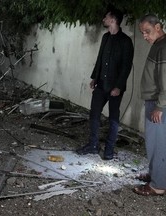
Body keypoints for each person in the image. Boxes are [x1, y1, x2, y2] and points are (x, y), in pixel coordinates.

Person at [76, 7, 134, 160]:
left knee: (113, 119)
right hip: (101, 84)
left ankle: (109, 150)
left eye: (106, 17)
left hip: (115, 87)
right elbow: (100, 58)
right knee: (94, 114)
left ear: (113, 20)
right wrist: (95, 77)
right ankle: (93, 145)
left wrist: (119, 87)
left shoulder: (126, 41)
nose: (104, 19)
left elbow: (126, 66)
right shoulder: (105, 37)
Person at [133, 14, 166, 196]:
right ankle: (155, 175)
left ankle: (158, 185)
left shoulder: (164, 46)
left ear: (158, 27)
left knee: (158, 144)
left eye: (147, 31)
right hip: (155, 101)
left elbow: (165, 79)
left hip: (158, 103)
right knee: (154, 143)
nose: (145, 36)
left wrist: (160, 106)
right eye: (142, 33)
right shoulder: (159, 45)